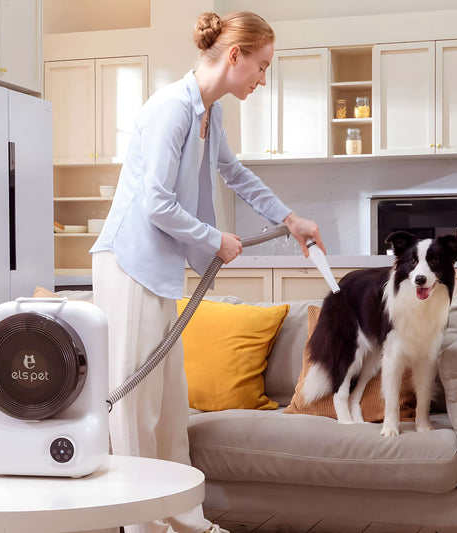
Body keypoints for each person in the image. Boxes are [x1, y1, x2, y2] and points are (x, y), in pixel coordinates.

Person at [90, 10, 325, 533]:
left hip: (159, 267)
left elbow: (232, 172)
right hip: (128, 265)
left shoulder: (209, 111)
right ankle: (141, 525)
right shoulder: (172, 108)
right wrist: (212, 239)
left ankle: (183, 521)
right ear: (235, 55)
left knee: (171, 406)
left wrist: (290, 220)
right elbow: (154, 202)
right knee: (134, 410)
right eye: (261, 67)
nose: (263, 80)